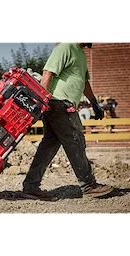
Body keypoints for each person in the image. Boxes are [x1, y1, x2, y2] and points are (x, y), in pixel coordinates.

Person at [22, 40, 114, 201]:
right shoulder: (65, 47)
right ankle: (88, 185)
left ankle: (31, 186)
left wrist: (94, 102)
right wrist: (40, 101)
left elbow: (83, 82)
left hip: (61, 104)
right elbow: (48, 73)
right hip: (59, 103)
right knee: (75, 141)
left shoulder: (80, 53)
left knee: (49, 145)